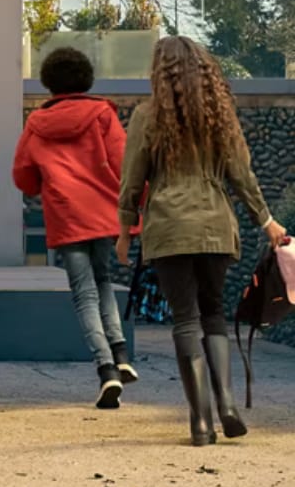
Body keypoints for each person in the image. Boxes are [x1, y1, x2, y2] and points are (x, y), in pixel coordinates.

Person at [117, 35, 289, 446]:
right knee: (213, 314)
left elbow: (132, 181)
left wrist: (124, 231)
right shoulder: (219, 115)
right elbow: (242, 176)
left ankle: (200, 423)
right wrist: (266, 221)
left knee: (185, 320)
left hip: (169, 227)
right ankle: (227, 405)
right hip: (215, 226)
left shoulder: (147, 116)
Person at [12, 47, 139, 409]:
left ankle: (106, 369)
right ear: (85, 78)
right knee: (103, 281)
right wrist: (136, 204)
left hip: (67, 216)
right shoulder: (102, 115)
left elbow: (23, 176)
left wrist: (45, 182)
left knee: (83, 293)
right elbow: (125, 163)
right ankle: (120, 352)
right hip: (103, 212)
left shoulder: (38, 124)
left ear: (49, 82)